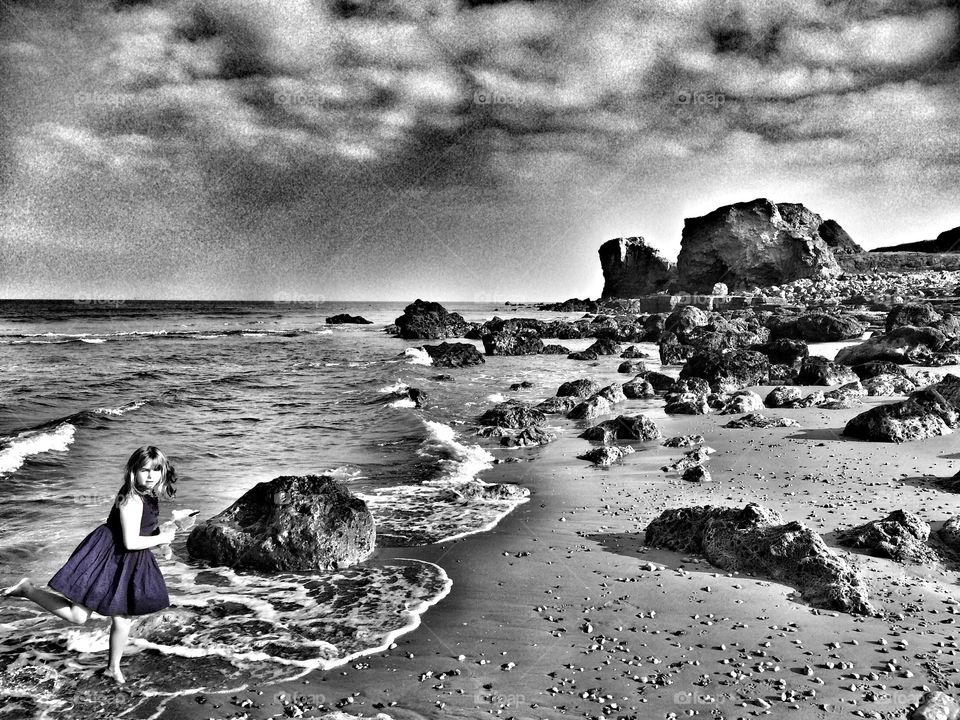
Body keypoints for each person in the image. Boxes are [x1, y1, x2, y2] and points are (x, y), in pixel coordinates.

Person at [1, 446, 178, 684]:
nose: (150, 476)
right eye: (144, 470)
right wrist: (162, 538)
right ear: (133, 471)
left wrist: (162, 539)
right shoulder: (132, 499)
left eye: (155, 470)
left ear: (163, 471)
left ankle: (113, 668)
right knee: (79, 616)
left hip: (124, 560)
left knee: (122, 618)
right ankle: (27, 589)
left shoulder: (148, 495)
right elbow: (131, 541)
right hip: (107, 557)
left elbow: (142, 531)